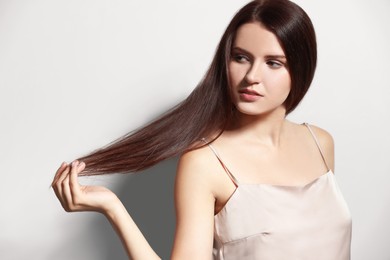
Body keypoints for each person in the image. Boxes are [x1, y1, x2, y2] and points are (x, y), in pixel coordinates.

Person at [52, 0, 352, 259]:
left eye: (273, 63)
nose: (251, 76)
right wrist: (112, 207)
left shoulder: (320, 143)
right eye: (241, 57)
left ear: (300, 69)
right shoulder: (205, 163)